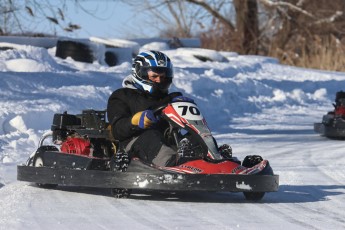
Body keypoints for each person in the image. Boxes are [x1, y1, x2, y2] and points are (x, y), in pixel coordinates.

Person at [107, 50, 189, 167]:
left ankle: (213, 159)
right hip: (132, 148)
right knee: (151, 136)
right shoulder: (122, 96)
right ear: (140, 73)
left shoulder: (169, 98)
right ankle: (174, 165)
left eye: (162, 77)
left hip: (165, 143)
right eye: (154, 76)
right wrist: (135, 121)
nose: (159, 80)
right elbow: (117, 131)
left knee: (190, 138)